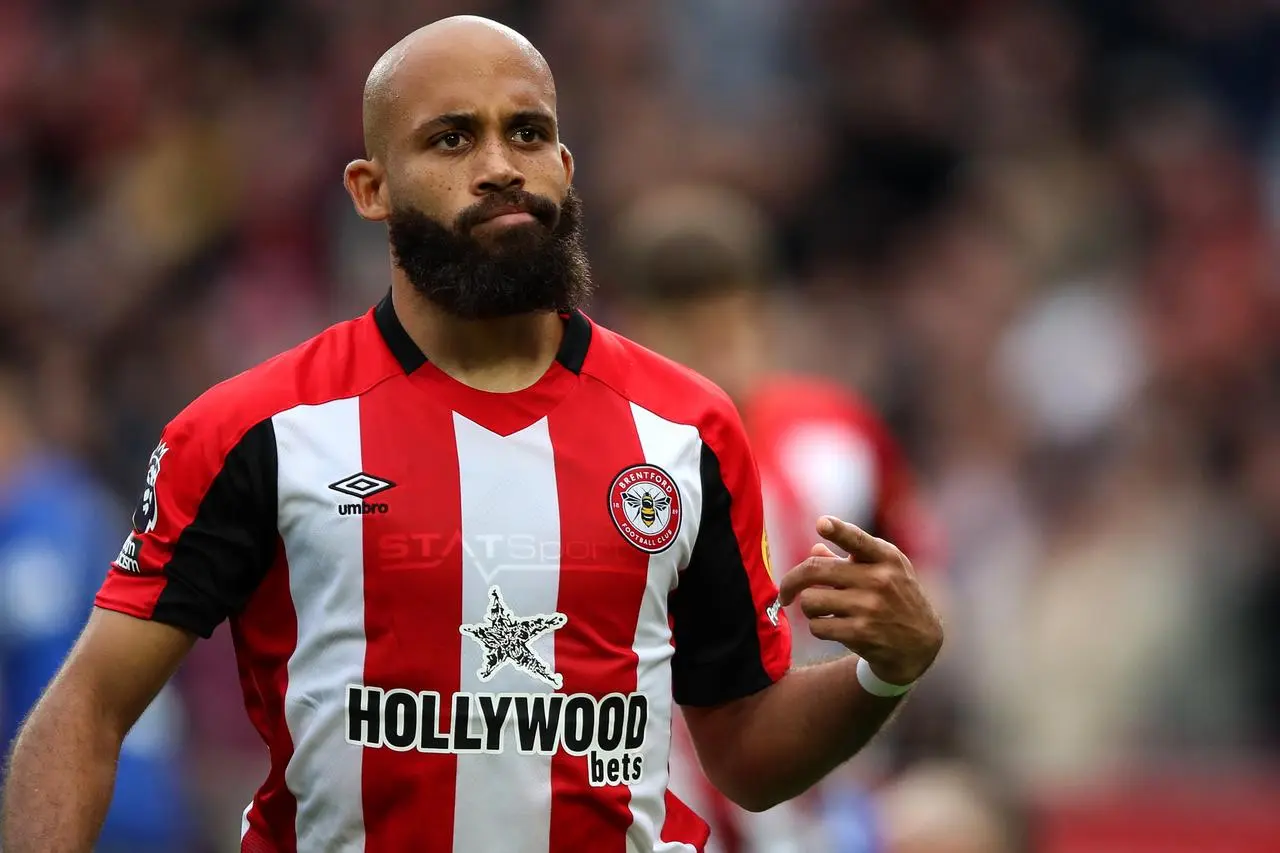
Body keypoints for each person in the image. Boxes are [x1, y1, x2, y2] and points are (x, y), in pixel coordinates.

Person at [0, 16, 943, 853]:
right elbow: (87, 706)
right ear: (371, 188)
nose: (500, 163)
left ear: (565, 169)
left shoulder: (686, 428)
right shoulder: (257, 428)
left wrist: (880, 674)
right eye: (452, 138)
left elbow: (744, 748)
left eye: (527, 132)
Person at [609, 185, 942, 853]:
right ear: (635, 328)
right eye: (687, 333)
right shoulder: (611, 458)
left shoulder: (838, 436)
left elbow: (919, 586)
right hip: (663, 807)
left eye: (730, 327)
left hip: (820, 805)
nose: (716, 355)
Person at [0, 338, 196, 853]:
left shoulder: (38, 524)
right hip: (144, 799)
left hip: (84, 807)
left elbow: (42, 680)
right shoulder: (83, 505)